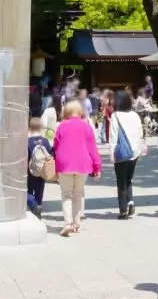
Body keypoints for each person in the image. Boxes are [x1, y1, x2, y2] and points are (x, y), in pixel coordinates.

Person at [52, 98, 101, 236]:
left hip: (64, 163)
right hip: (83, 163)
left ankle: (67, 223)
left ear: (67, 111)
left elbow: (55, 145)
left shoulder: (62, 126)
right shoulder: (86, 127)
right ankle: (77, 224)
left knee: (66, 194)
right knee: (78, 194)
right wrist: (97, 167)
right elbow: (93, 149)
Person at [107, 90, 145, 218]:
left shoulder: (115, 116)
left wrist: (111, 153)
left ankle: (123, 210)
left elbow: (113, 137)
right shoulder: (135, 115)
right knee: (128, 179)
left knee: (121, 181)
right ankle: (131, 203)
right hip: (134, 152)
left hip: (121, 153)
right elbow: (140, 133)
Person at [26, 116, 54, 218]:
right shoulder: (45, 141)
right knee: (40, 190)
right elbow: (50, 153)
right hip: (42, 171)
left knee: (27, 190)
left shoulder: (27, 141)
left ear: (29, 128)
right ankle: (38, 208)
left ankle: (33, 205)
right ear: (41, 128)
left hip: (29, 171)